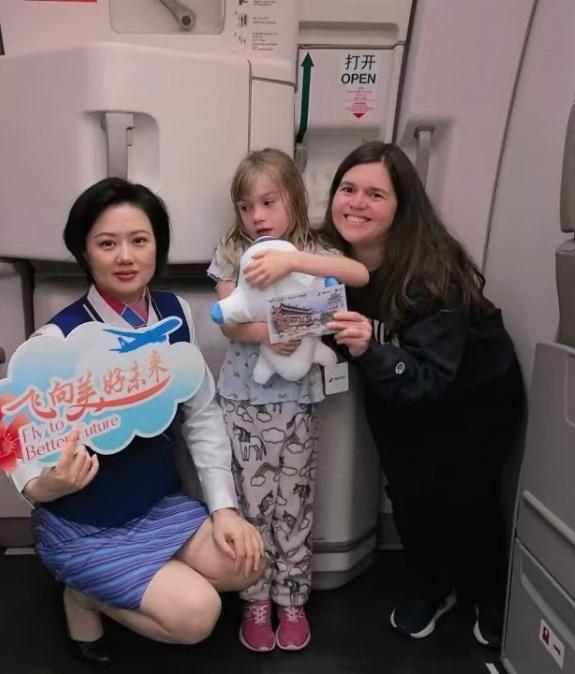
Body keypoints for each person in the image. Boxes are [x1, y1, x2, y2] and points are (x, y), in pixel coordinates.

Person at [10, 177, 264, 665]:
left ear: (157, 247)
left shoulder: (174, 313)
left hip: (156, 507)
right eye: (107, 243)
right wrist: (47, 486)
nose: (125, 257)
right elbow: (20, 451)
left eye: (139, 240)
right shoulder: (56, 341)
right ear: (84, 252)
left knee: (248, 562)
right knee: (198, 616)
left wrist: (224, 509)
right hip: (87, 522)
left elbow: (201, 415)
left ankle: (137, 578)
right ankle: (84, 595)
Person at [322, 141, 524, 648]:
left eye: (375, 194)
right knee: (410, 492)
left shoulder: (434, 272)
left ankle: (488, 594)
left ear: (401, 207)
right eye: (347, 189)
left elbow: (431, 377)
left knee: (469, 497)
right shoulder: (327, 261)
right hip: (392, 383)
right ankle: (432, 588)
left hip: (474, 394)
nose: (356, 203)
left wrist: (369, 346)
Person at [207, 148, 369, 652]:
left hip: (298, 401)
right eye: (245, 206)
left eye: (268, 202)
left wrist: (295, 259)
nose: (256, 216)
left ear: (294, 200)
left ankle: (292, 598)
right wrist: (268, 332)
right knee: (251, 506)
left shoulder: (314, 250)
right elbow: (228, 318)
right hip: (243, 399)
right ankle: (255, 598)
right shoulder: (233, 250)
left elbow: (358, 275)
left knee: (294, 503)